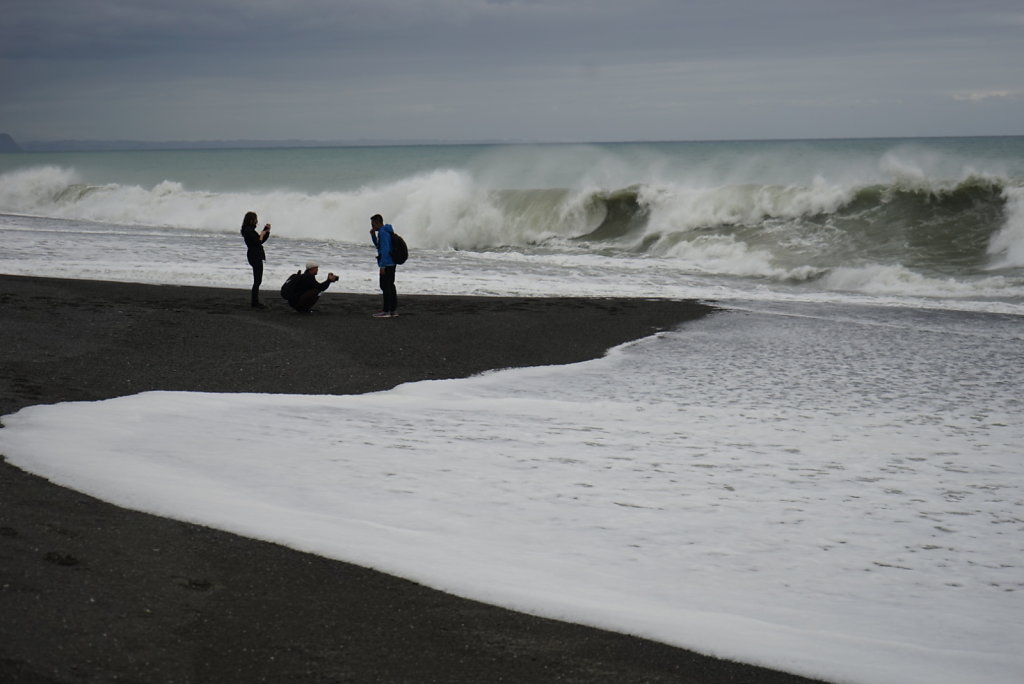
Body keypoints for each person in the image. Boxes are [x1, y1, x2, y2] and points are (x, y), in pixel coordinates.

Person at [369, 213, 398, 318]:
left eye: (373, 225)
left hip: (387, 263)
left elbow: (385, 250)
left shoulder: (382, 232)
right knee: (390, 286)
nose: (372, 227)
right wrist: (373, 236)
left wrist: (382, 266)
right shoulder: (387, 231)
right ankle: (393, 311)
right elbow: (379, 246)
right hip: (392, 262)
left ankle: (386, 311)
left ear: (377, 223)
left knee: (385, 286)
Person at [240, 211, 271, 308]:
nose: (256, 221)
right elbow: (258, 241)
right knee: (257, 280)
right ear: (251, 220)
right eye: (255, 219)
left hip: (253, 255)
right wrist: (262, 234)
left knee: (257, 280)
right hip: (255, 255)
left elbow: (260, 241)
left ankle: (255, 301)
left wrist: (266, 231)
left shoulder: (249, 230)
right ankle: (255, 302)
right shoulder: (249, 231)